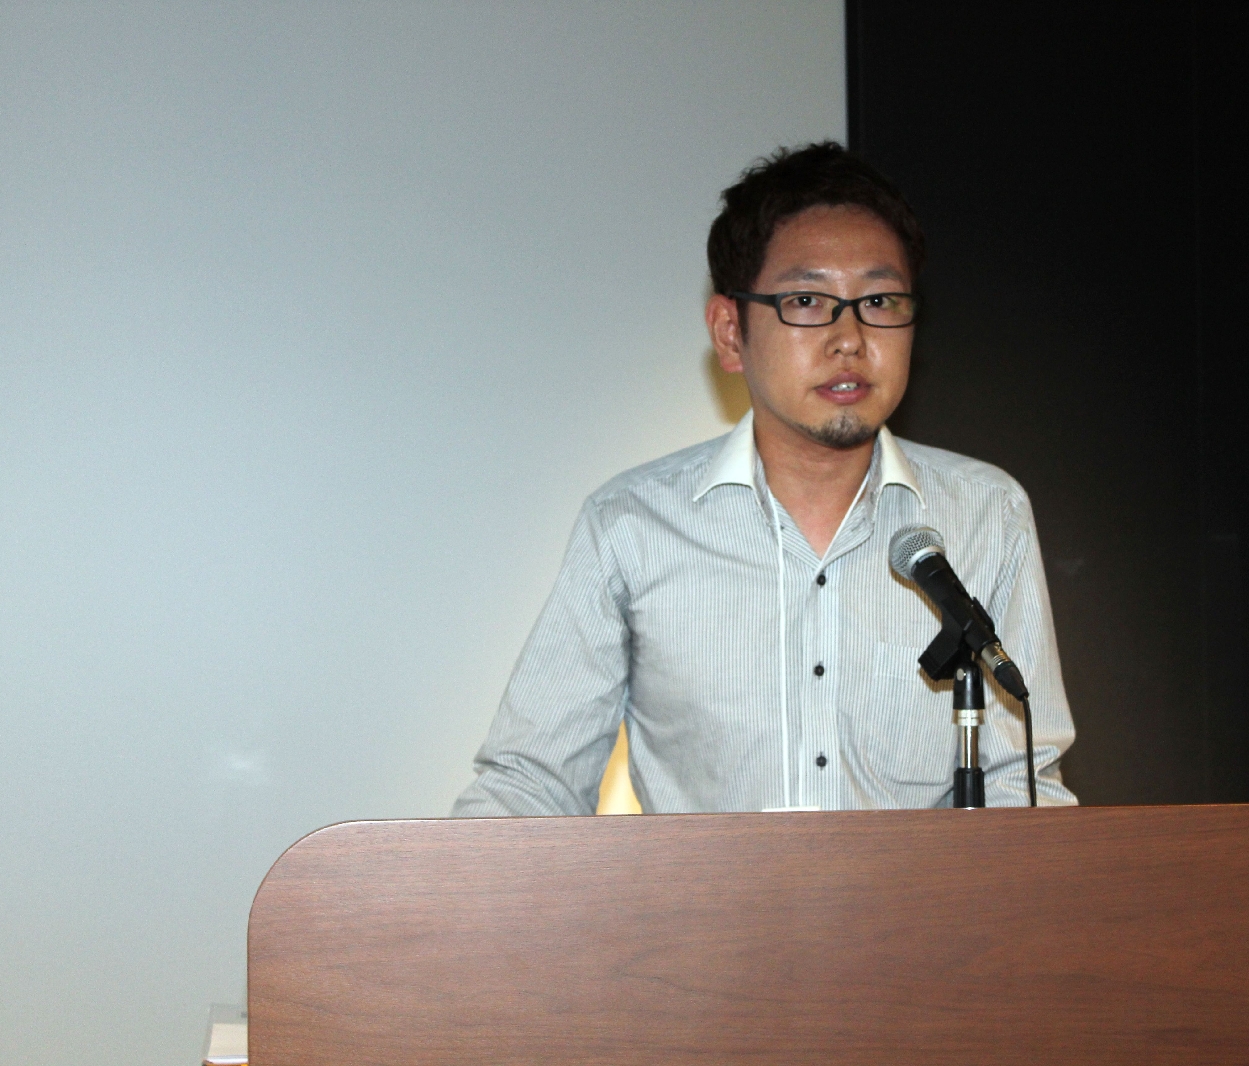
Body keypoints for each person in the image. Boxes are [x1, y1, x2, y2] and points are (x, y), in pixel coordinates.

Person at [453, 142, 1075, 816]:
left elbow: (1020, 787)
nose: (850, 338)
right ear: (730, 332)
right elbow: (531, 785)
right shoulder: (632, 524)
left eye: (879, 300)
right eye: (806, 300)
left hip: (923, 894)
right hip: (709, 895)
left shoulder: (985, 513)